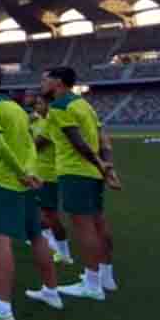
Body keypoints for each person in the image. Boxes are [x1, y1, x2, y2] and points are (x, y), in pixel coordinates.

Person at [0, 65, 62, 320]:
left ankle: (2, 306)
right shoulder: (15, 108)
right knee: (36, 235)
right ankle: (51, 291)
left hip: (1, 181)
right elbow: (29, 143)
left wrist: (21, 172)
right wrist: (30, 172)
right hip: (24, 181)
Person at [41, 67, 121, 300]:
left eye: (44, 80)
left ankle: (92, 283)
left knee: (84, 227)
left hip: (75, 172)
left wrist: (99, 163)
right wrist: (107, 167)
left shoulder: (59, 106)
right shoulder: (84, 104)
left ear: (57, 82)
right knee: (98, 223)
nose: (42, 85)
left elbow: (77, 142)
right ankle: (107, 277)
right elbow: (102, 137)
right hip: (92, 173)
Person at [31, 96, 74, 264]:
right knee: (42, 212)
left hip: (47, 174)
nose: (36, 106)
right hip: (40, 173)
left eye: (40, 103)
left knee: (51, 215)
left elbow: (35, 145)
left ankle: (64, 253)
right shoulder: (40, 121)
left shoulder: (49, 123)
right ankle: (51, 243)